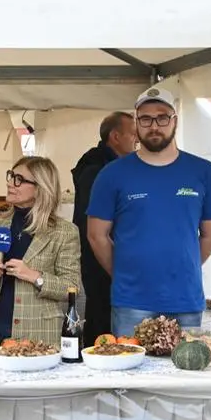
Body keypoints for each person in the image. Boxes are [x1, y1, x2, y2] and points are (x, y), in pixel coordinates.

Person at [87, 87, 211, 336]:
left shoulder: (204, 172)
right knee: (130, 370)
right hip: (131, 302)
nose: (154, 125)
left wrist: (185, 265)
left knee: (186, 370)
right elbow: (96, 235)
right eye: (145, 118)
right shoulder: (112, 174)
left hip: (185, 300)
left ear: (175, 120)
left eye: (162, 117)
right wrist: (124, 272)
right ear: (136, 122)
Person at [0, 157, 81, 345]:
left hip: (40, 334)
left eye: (19, 179)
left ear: (41, 188)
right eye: (11, 176)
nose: (10, 183)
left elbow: (71, 287)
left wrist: (34, 276)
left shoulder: (65, 232)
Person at [71, 111, 137, 347]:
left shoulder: (115, 165)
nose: (137, 139)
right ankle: (99, 355)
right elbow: (94, 224)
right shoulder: (95, 170)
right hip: (100, 254)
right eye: (132, 134)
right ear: (115, 136)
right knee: (102, 311)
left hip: (115, 252)